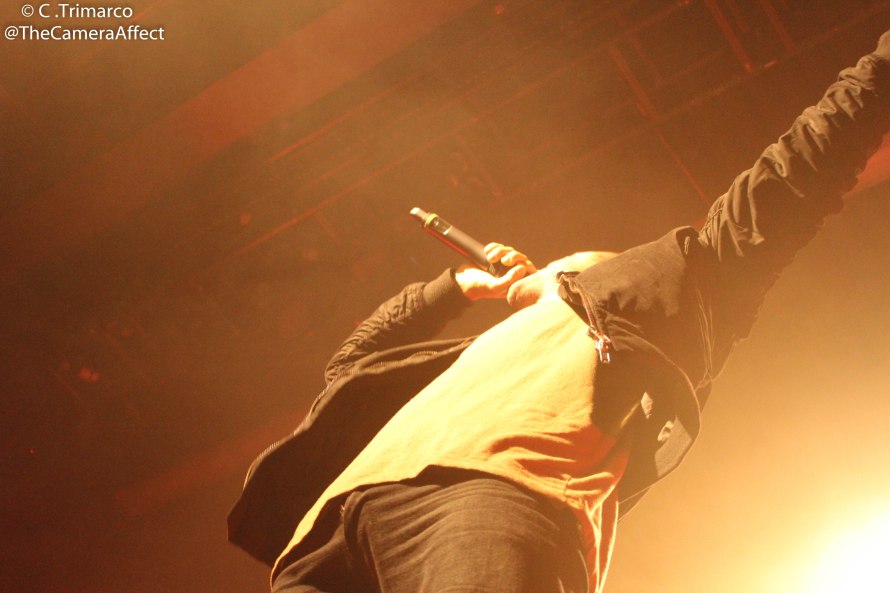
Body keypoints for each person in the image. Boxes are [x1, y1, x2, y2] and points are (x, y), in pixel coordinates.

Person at [229, 31, 890, 593]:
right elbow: (351, 363)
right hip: (325, 534)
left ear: (597, 273)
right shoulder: (471, 358)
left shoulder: (661, 299)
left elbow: (799, 169)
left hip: (490, 495)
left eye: (570, 263)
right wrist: (459, 288)